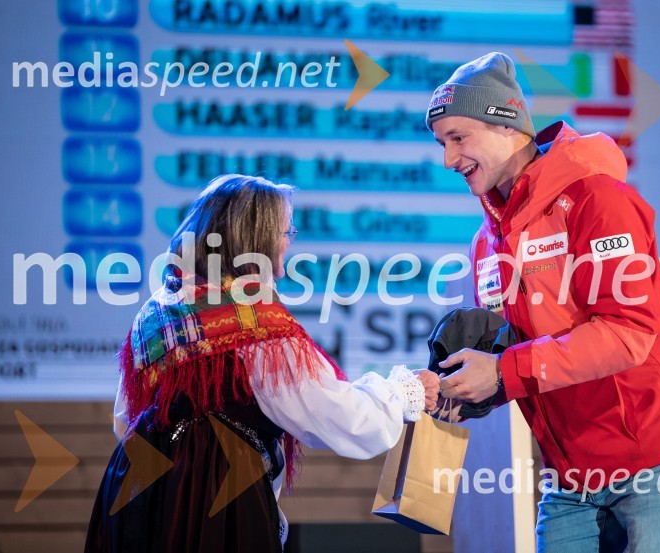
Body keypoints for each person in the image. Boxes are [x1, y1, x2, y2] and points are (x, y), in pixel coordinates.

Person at [426, 52, 660, 552]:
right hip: (570, 474)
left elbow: (626, 333)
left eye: (459, 138)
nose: (448, 159)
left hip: (653, 455)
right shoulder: (486, 242)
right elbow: (528, 358)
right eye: (441, 143)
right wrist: (471, 389)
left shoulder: (597, 199)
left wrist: (501, 373)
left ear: (507, 125)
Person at [84, 174, 441, 553]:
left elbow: (125, 418)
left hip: (135, 488)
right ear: (256, 240)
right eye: (286, 231)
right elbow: (339, 416)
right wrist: (406, 391)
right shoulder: (252, 322)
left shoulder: (160, 309)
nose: (290, 240)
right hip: (212, 495)